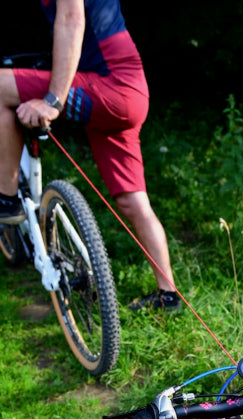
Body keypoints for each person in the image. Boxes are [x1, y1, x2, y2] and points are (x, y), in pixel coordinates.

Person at [0, 0, 180, 312]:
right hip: (129, 91)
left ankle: (6, 199)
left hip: (109, 85)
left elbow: (71, 20)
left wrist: (53, 101)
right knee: (133, 201)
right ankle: (168, 296)